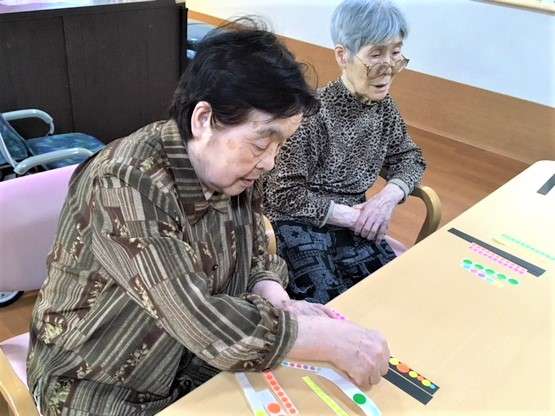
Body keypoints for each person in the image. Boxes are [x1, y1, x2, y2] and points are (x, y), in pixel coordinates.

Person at [27, 21, 390, 416]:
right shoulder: (126, 183)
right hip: (101, 381)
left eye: (279, 145)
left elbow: (256, 249)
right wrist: (321, 338)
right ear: (203, 119)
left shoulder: (232, 169)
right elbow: (196, 318)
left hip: (197, 363)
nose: (270, 162)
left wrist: (277, 296)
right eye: (261, 143)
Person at [263, 0, 427, 304]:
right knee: (335, 306)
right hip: (297, 225)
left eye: (395, 53)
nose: (388, 67)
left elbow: (409, 158)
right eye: (375, 54)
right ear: (343, 55)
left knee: (396, 295)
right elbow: (283, 195)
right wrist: (355, 218)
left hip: (354, 223)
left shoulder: (384, 109)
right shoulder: (310, 113)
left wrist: (386, 199)